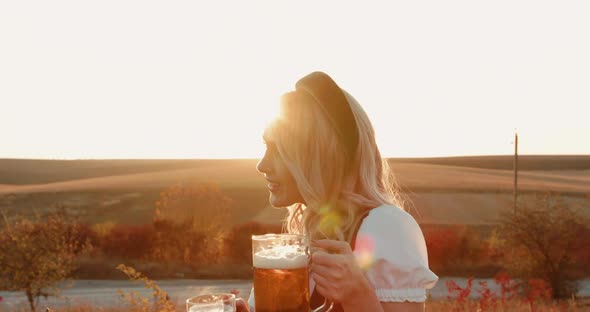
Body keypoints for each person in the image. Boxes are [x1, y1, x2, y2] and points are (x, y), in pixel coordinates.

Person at [239, 71, 438, 312]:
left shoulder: (386, 227)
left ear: (320, 156)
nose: (262, 165)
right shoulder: (298, 244)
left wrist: (357, 295)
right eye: (266, 147)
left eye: (279, 150)